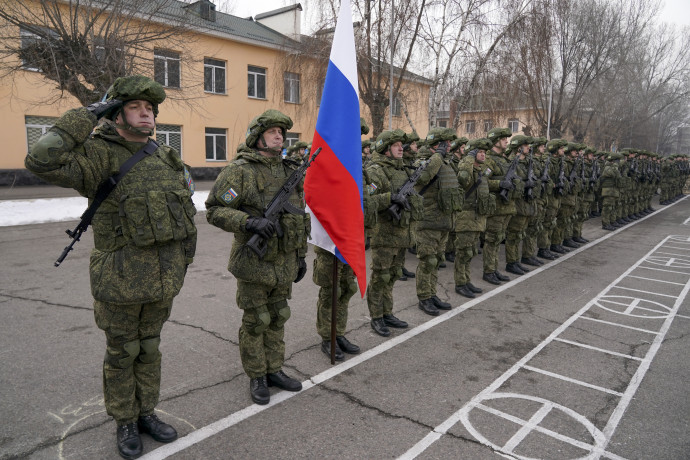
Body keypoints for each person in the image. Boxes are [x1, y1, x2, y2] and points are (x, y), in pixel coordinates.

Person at [25, 75, 196, 459]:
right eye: (135, 106)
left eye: (150, 108)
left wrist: (183, 264)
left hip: (163, 279)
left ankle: (147, 412)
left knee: (150, 349)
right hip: (119, 279)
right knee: (122, 351)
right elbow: (40, 159)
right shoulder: (99, 154)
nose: (146, 113)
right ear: (115, 113)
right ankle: (125, 421)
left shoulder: (167, 157)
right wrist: (88, 114)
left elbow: (186, 214)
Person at [205, 109, 308, 405]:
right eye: (273, 131)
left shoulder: (290, 170)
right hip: (254, 261)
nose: (280, 135)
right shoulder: (240, 170)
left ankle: (274, 369)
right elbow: (214, 210)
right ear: (257, 136)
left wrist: (300, 255)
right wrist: (249, 223)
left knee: (278, 317)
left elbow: (299, 217)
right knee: (257, 320)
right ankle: (257, 375)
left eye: (282, 132)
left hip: (285, 259)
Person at [312, 118, 370, 361]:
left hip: (351, 235)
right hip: (331, 236)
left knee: (346, 288)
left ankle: (340, 332)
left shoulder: (356, 164)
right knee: (330, 291)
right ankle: (328, 336)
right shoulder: (326, 159)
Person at [365, 129, 421, 336]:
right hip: (384, 234)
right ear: (385, 148)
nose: (401, 148)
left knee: (393, 275)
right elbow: (367, 202)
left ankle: (387, 312)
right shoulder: (375, 171)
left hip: (402, 233)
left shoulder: (404, 169)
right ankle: (376, 316)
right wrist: (389, 198)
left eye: (401, 144)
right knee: (381, 276)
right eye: (396, 145)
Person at [414, 128, 462, 316]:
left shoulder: (445, 162)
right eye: (446, 143)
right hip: (428, 221)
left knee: (437, 260)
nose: (450, 146)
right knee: (427, 261)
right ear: (437, 144)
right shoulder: (424, 160)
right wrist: (438, 156)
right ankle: (424, 297)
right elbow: (424, 176)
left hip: (443, 221)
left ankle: (432, 294)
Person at [454, 138, 495, 298]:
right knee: (463, 251)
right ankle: (460, 283)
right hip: (466, 217)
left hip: (478, 217)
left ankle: (466, 280)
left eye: (484, 152)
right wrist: (469, 159)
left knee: (470, 251)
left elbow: (487, 185)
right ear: (471, 153)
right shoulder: (466, 168)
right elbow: (463, 181)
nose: (483, 155)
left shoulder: (480, 170)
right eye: (480, 152)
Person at [482, 127, 523, 285]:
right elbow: (483, 181)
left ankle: (494, 268)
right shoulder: (489, 160)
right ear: (496, 141)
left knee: (498, 239)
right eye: (504, 139)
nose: (507, 141)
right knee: (491, 239)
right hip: (496, 207)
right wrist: (500, 183)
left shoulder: (505, 160)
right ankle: (489, 271)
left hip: (507, 206)